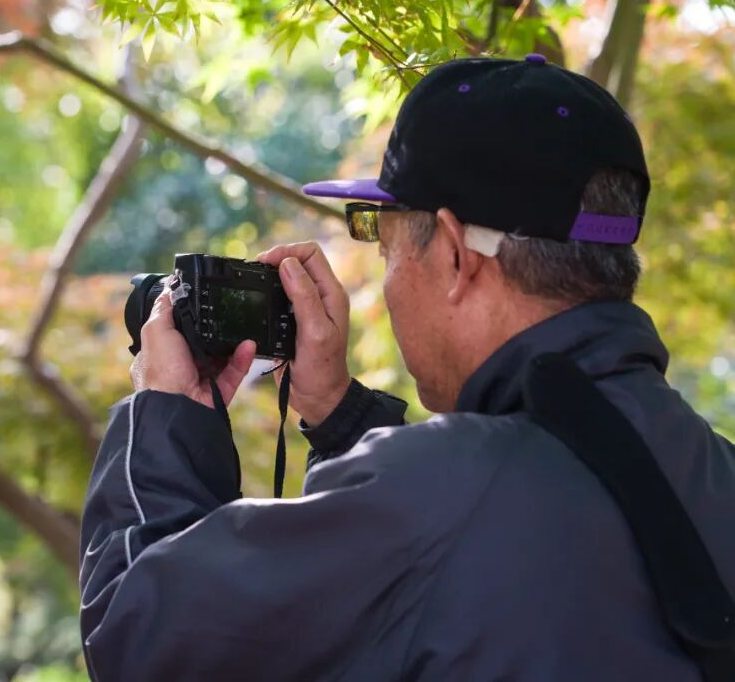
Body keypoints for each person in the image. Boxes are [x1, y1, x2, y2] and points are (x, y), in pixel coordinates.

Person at [78, 55, 735, 681]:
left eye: (387, 248)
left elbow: (135, 634)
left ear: (454, 254)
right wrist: (339, 417)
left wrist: (165, 414)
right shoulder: (711, 471)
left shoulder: (446, 494)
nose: (386, 280)